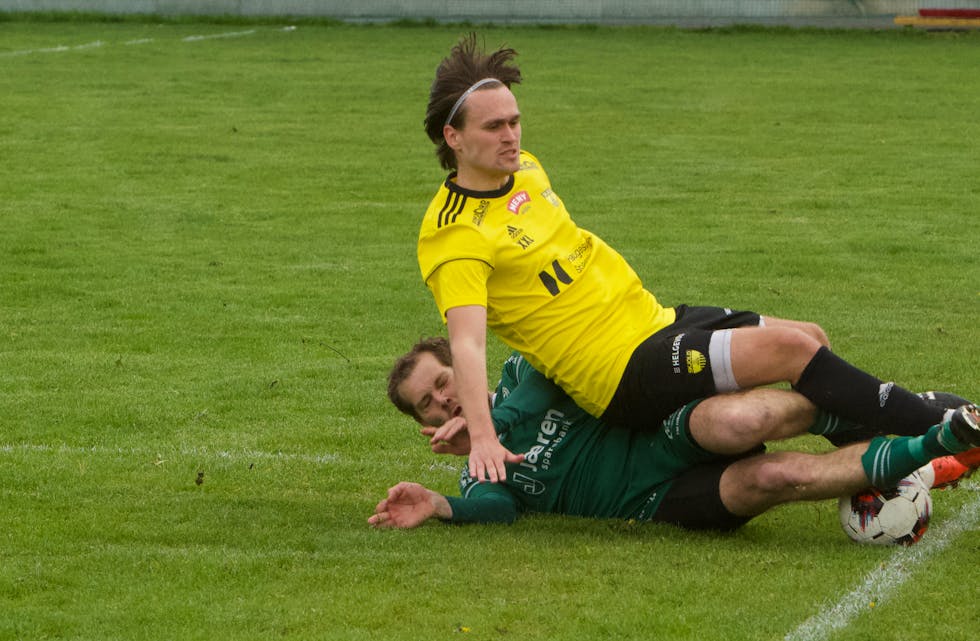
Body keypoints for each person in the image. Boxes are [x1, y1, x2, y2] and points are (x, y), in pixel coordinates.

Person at [417, 33, 975, 483]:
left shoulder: (526, 171)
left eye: (515, 121)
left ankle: (882, 454)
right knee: (790, 349)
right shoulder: (454, 238)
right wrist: (485, 436)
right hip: (619, 372)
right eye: (494, 127)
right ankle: (940, 426)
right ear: (454, 138)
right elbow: (467, 343)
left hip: (655, 321)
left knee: (812, 335)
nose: (512, 136)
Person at [370, 338, 980, 530]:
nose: (443, 399)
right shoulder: (476, 472)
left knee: (743, 417)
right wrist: (441, 505)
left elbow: (545, 390)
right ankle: (934, 444)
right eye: (427, 404)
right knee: (777, 475)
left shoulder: (523, 369)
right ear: (423, 424)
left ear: (462, 362)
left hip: (662, 439)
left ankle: (876, 419)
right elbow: (496, 511)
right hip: (654, 501)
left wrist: (488, 422)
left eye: (444, 380)